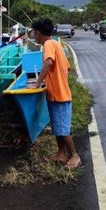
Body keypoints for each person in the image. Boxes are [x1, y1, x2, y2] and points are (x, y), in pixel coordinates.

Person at [28, 18, 81, 169]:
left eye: (33, 32)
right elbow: (67, 68)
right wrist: (51, 80)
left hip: (60, 95)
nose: (33, 35)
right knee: (58, 126)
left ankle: (75, 156)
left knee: (63, 129)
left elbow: (49, 63)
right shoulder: (57, 44)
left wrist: (38, 83)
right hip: (58, 93)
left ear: (38, 33)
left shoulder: (49, 44)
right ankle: (61, 154)